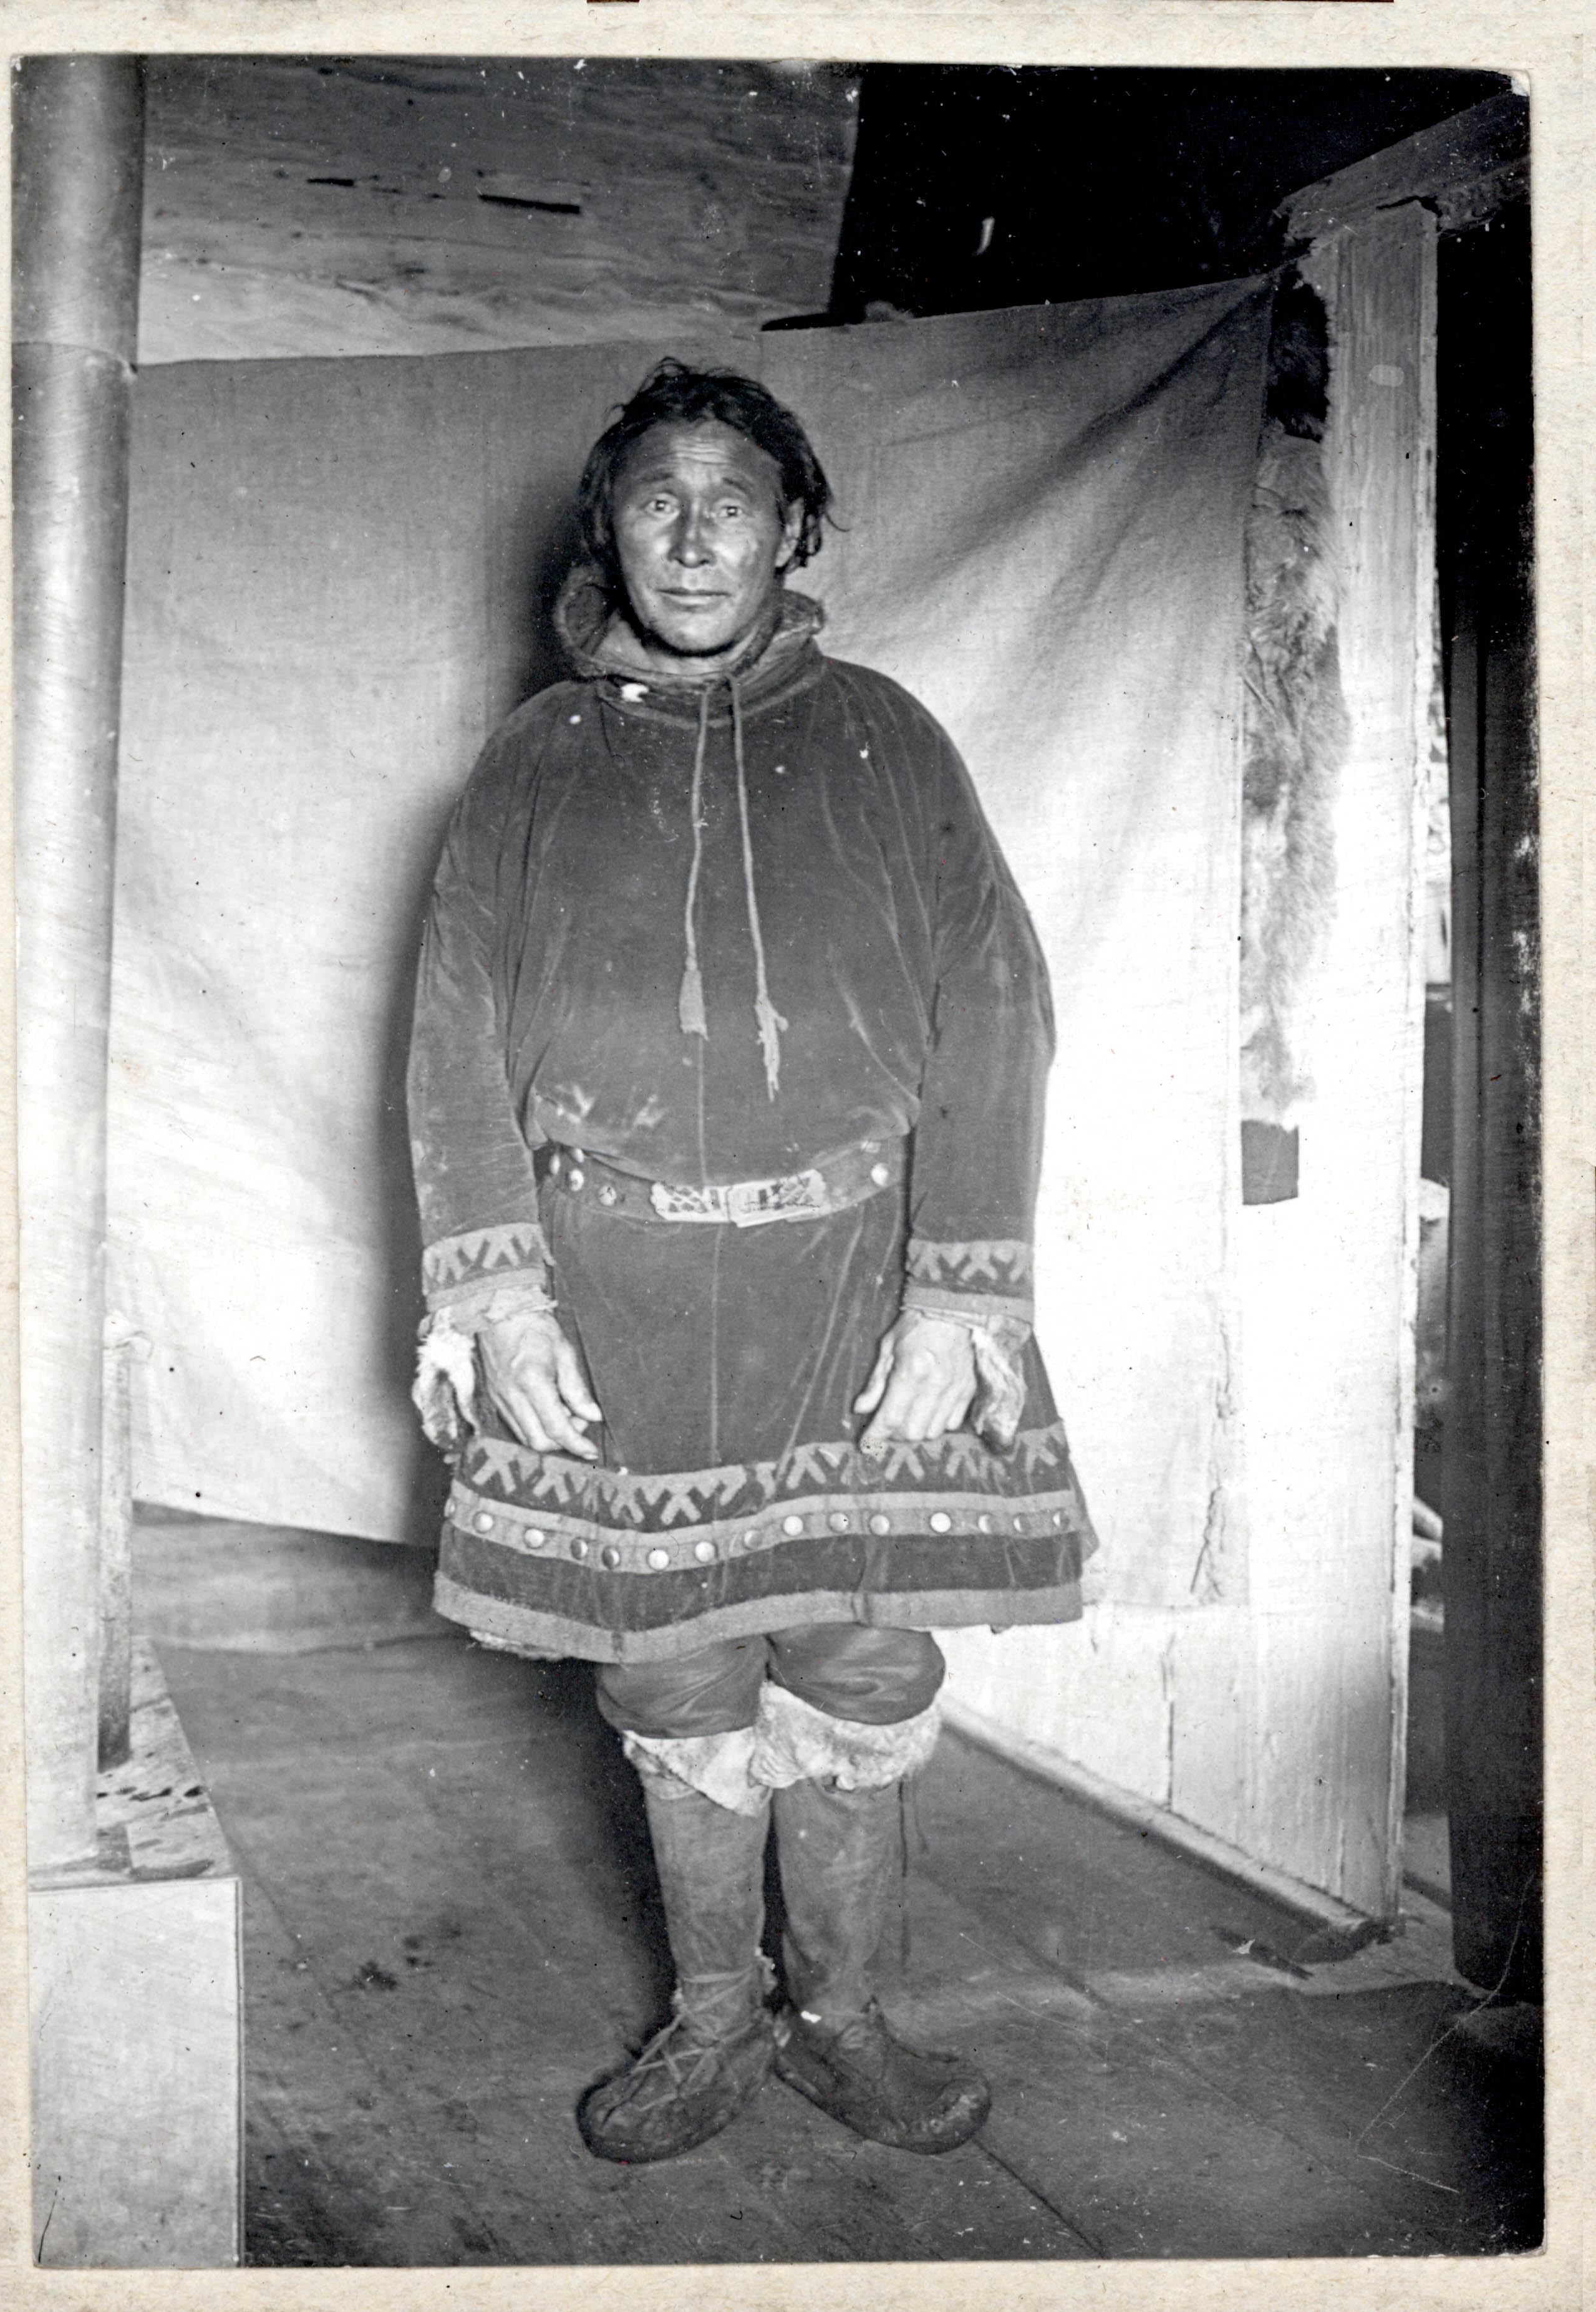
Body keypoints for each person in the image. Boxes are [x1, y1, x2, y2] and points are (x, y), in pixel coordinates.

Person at [407, 358, 1094, 2166]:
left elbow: (998, 1006)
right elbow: (452, 1029)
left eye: (734, 500)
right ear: (610, 533)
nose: (696, 534)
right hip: (610, 1297)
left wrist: (961, 1288)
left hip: (857, 1291)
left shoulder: (889, 737)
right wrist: (494, 1290)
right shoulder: (534, 759)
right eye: (659, 499)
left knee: (856, 1654)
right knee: (666, 1670)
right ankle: (714, 2020)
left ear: (795, 532)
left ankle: (842, 2019)